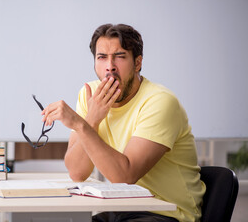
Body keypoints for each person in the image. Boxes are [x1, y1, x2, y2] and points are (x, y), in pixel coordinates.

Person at [41, 24, 205, 222]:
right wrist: (92, 119)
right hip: (123, 209)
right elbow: (77, 172)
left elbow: (125, 177)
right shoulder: (89, 96)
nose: (110, 65)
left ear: (137, 63)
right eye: (102, 57)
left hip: (169, 213)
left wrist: (81, 125)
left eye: (120, 56)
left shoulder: (160, 102)